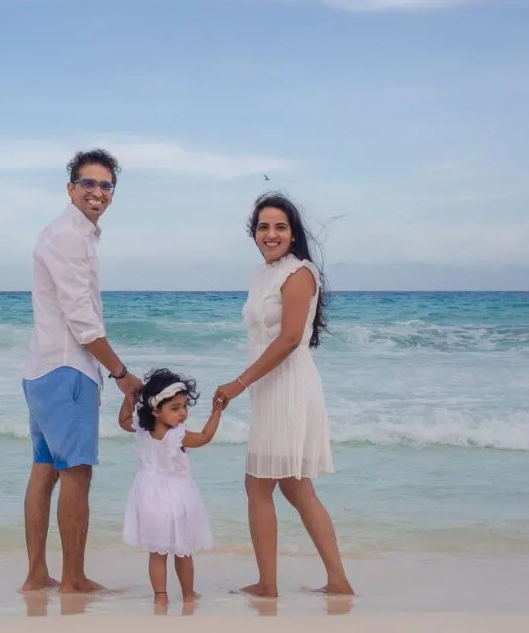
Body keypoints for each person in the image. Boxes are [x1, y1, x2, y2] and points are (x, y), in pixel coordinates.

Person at [211, 191, 355, 598]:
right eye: (263, 227)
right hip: (270, 387)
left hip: (289, 386)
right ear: (253, 233)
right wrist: (250, 384)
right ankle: (337, 582)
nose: (270, 234)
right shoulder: (261, 274)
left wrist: (238, 383)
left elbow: (290, 338)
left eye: (280, 227)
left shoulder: (300, 273)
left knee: (260, 486)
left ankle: (269, 585)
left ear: (293, 234)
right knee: (294, 486)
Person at [20, 149, 144, 594]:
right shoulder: (69, 237)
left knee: (44, 469)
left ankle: (38, 575)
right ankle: (73, 579)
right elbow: (83, 322)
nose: (98, 192)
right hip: (67, 369)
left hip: (42, 369)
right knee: (76, 472)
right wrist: (121, 374)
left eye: (106, 185)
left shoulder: (66, 234)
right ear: (70, 188)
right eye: (88, 183)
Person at [118, 368, 223, 606]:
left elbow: (123, 421)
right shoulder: (178, 436)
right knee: (183, 551)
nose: (183, 413)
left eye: (184, 406)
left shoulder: (142, 427)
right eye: (175, 408)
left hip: (147, 495)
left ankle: (160, 596)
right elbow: (205, 437)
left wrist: (128, 399)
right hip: (176, 496)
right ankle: (188, 594)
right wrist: (217, 411)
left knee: (157, 552)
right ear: (156, 410)